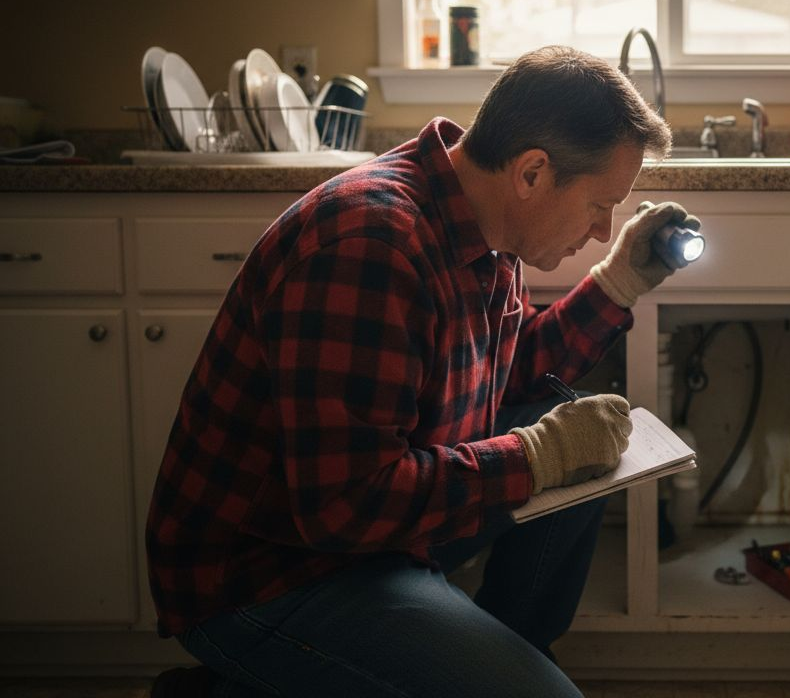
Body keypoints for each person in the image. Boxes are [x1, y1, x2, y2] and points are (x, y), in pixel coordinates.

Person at [146, 45, 696, 697]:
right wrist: (538, 455)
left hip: (378, 534)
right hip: (271, 576)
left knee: (586, 459)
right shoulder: (370, 248)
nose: (604, 231)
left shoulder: (484, 226)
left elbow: (510, 378)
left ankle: (495, 659)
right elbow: (345, 508)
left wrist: (621, 281)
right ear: (532, 174)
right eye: (599, 206)